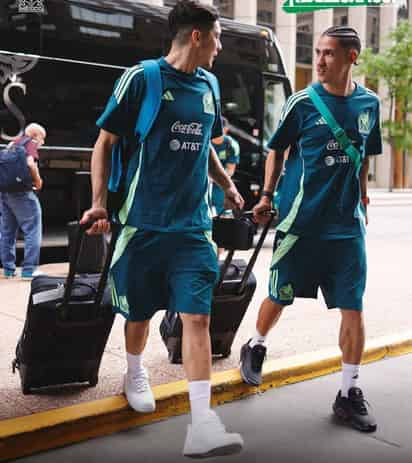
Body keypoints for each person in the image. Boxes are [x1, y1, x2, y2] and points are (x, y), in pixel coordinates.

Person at [80, 0, 244, 458]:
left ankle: (202, 424)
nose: (220, 46)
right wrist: (98, 204)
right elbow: (105, 143)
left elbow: (204, 150)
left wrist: (228, 186)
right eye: (217, 36)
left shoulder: (210, 85)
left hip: (193, 227)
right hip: (143, 223)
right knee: (138, 313)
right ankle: (134, 370)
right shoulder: (143, 78)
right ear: (197, 36)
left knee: (198, 315)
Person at [239, 26, 382, 433]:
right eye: (317, 52)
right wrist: (266, 196)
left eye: (329, 54)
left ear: (352, 57)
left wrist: (363, 200)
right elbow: (276, 149)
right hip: (300, 222)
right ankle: (257, 343)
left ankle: (348, 392)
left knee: (353, 307)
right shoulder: (302, 102)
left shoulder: (369, 103)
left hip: (346, 228)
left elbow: (364, 159)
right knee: (278, 296)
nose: (319, 61)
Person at [0, 123, 45, 279]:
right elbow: (30, 163)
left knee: (7, 231)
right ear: (34, 135)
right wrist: (38, 181)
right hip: (22, 194)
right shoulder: (30, 143)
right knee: (33, 229)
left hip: (5, 193)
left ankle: (8, 269)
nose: (43, 143)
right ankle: (29, 270)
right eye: (42, 138)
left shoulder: (12, 143)